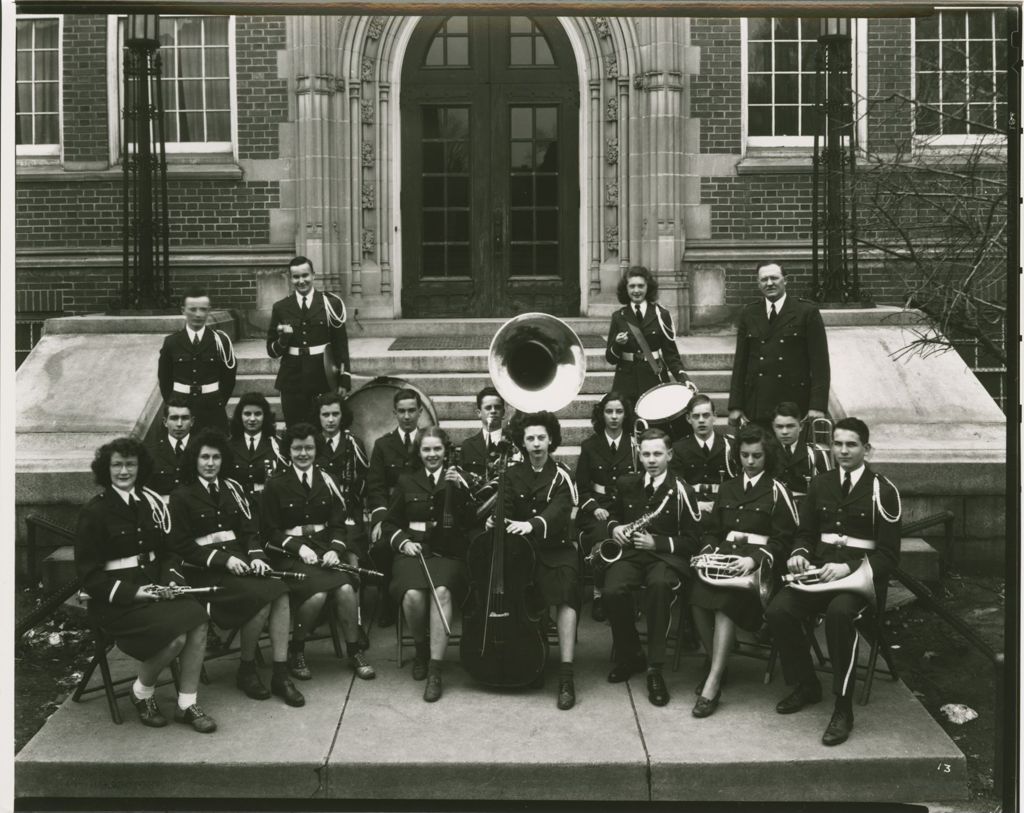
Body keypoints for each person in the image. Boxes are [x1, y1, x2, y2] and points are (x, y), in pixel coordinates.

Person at [766, 417, 901, 746]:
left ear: (866, 449)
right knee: (779, 610)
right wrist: (799, 553)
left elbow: (888, 557)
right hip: (820, 573)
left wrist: (850, 568)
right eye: (837, 443)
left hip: (859, 583)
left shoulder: (883, 490)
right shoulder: (820, 483)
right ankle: (807, 684)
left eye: (851, 444)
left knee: (840, 616)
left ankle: (843, 708)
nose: (842, 450)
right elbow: (806, 533)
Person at [75, 437, 215, 733]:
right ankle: (141, 693)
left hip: (155, 588)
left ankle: (187, 703)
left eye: (130, 464)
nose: (124, 471)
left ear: (140, 467)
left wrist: (171, 581)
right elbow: (90, 576)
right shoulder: (94, 512)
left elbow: (169, 553)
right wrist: (132, 593)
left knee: (199, 619)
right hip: (115, 601)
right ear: (106, 469)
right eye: (117, 464)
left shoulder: (149, 503)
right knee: (175, 638)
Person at [168, 429, 304, 707]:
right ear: (194, 460)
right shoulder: (181, 496)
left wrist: (256, 557)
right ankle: (247, 668)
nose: (210, 463)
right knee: (262, 599)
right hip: (206, 571)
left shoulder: (233, 488)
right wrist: (224, 560)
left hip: (241, 565)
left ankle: (279, 674)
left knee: (281, 591)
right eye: (204, 457)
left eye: (216, 457)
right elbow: (182, 546)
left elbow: (249, 531)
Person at [689, 425, 798, 718]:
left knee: (725, 605)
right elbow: (713, 532)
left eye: (757, 456)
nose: (750, 462)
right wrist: (708, 550)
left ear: (767, 457)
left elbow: (784, 540)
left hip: (756, 571)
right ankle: (718, 664)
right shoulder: (728, 487)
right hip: (724, 563)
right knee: (697, 599)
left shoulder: (777, 491)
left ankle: (713, 682)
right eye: (745, 455)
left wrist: (755, 560)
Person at [259, 422, 376, 681]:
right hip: (290, 556)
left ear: (316, 449)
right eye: (298, 448)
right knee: (318, 595)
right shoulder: (276, 484)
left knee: (346, 589)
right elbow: (269, 532)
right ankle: (297, 650)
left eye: (309, 448)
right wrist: (298, 547)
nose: (303, 453)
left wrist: (335, 550)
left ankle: (354, 651)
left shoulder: (328, 480)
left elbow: (338, 524)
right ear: (288, 451)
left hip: (323, 551)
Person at [603, 428, 701, 707]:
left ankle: (654, 668)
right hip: (632, 556)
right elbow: (610, 516)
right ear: (638, 454)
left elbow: (693, 541)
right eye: (645, 453)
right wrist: (616, 528)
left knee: (659, 588)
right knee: (612, 590)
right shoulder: (627, 483)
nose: (651, 459)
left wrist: (656, 542)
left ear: (669, 455)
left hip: (665, 559)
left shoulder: (683, 490)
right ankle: (631, 654)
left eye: (658, 453)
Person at [490, 411, 579, 710]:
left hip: (557, 548)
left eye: (542, 437)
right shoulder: (512, 474)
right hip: (525, 550)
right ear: (522, 443)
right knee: (523, 593)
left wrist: (532, 524)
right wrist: (496, 520)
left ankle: (566, 673)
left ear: (551, 439)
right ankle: (535, 657)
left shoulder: (562, 474)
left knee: (566, 596)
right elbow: (507, 506)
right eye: (530, 438)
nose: (537, 443)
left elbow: (560, 510)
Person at [382, 427, 474, 702]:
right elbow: (389, 522)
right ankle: (421, 649)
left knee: (442, 592)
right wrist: (403, 542)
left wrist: (461, 489)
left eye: (437, 449)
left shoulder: (458, 479)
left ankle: (434, 670)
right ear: (419, 452)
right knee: (412, 596)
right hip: (414, 551)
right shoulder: (406, 481)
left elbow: (471, 521)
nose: (432, 454)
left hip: (448, 553)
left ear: (445, 451)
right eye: (426, 449)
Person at [728, 262, 831, 430]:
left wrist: (817, 406)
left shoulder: (806, 312)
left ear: (786, 280)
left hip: (794, 403)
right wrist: (735, 405)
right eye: (764, 279)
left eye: (774, 278)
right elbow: (740, 363)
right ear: (758, 283)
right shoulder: (749, 313)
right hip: (757, 404)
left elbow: (820, 364)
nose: (769, 283)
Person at [574, 391, 638, 622]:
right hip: (597, 509)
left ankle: (626, 591)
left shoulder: (635, 444)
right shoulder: (590, 446)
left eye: (619, 412)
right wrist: (593, 507)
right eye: (609, 411)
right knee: (603, 536)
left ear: (625, 415)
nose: (613, 416)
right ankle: (599, 594)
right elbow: (581, 488)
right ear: (601, 414)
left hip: (626, 508)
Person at [315, 391, 373, 647]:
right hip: (319, 518)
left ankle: (355, 622)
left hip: (349, 514)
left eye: (335, 414)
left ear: (342, 416)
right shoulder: (311, 444)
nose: (330, 420)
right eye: (325, 414)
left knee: (350, 557)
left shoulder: (353, 443)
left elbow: (364, 482)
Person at [266, 256, 351, 427]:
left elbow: (340, 344)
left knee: (324, 429)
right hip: (292, 379)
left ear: (314, 275)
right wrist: (283, 340)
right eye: (296, 277)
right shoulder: (281, 307)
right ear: (290, 279)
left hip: (323, 376)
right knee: (296, 429)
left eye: (305, 275)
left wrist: (344, 378)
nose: (301, 281)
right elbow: (272, 351)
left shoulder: (330, 303)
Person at [365, 388, 424, 627]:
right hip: (393, 515)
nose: (407, 416)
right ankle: (388, 601)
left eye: (412, 410)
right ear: (394, 413)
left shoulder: (429, 442)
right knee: (380, 548)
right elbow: (376, 487)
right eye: (402, 411)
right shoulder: (383, 445)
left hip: (421, 514)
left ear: (420, 412)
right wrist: (380, 520)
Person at [604, 266, 692, 404]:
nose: (636, 290)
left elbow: (671, 355)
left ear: (648, 287)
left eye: (641, 286)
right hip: (626, 381)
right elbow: (610, 358)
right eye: (632, 286)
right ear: (626, 289)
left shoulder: (661, 315)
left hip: (653, 378)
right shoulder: (619, 317)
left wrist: (683, 378)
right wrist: (617, 344)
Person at [157, 288, 236, 435]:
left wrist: (218, 401)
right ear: (183, 310)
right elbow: (164, 378)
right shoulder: (172, 342)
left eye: (203, 309)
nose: (198, 314)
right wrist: (174, 403)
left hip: (211, 408)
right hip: (180, 407)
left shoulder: (220, 341)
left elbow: (229, 378)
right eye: (193, 309)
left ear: (209, 311)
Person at [669, 394, 738, 516]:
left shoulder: (730, 445)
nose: (701, 420)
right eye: (696, 416)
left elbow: (737, 484)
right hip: (691, 509)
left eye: (706, 415)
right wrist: (696, 504)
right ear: (688, 419)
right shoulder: (678, 448)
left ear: (714, 416)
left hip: (725, 508)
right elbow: (676, 486)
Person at [228, 393, 287, 502]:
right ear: (239, 416)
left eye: (258, 414)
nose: (252, 419)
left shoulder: (278, 446)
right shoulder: (228, 446)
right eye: (247, 414)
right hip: (238, 505)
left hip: (267, 505)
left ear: (265, 416)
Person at [770, 401, 833, 500]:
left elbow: (829, 490)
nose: (784, 432)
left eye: (790, 426)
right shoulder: (767, 453)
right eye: (779, 427)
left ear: (801, 426)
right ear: (773, 427)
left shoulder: (817, 453)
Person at [144, 396, 196, 500]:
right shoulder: (151, 451)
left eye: (185, 418)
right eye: (174, 418)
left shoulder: (201, 449)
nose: (179, 424)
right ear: (165, 422)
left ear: (192, 421)